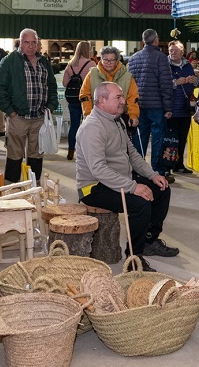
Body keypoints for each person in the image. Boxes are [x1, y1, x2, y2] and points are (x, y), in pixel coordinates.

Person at [76, 82, 177, 271]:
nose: (123, 101)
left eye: (122, 96)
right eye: (118, 97)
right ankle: (133, 258)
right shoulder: (92, 127)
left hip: (118, 179)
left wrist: (152, 175)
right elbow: (98, 169)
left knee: (162, 189)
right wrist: (132, 187)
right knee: (140, 203)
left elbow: (132, 153)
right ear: (102, 101)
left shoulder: (116, 120)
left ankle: (148, 241)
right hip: (94, 187)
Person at [0, 28, 59, 183]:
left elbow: (52, 86)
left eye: (33, 42)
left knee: (36, 154)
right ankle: (12, 187)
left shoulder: (44, 62)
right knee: (15, 154)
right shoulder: (9, 61)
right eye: (26, 42)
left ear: (38, 44)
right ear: (20, 43)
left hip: (39, 118)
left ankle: (33, 186)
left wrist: (50, 106)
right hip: (18, 117)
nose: (30, 46)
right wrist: (11, 112)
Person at [128, 29, 174, 174]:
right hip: (156, 105)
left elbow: (130, 83)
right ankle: (157, 170)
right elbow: (165, 84)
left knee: (140, 138)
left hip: (139, 105)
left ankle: (138, 169)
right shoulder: (161, 57)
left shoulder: (133, 58)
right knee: (157, 138)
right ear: (155, 40)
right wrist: (168, 107)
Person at [79, 45, 138, 124]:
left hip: (121, 117)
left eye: (112, 60)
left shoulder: (127, 76)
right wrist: (88, 114)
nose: (108, 63)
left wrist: (133, 115)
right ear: (101, 59)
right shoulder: (92, 74)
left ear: (117, 60)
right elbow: (85, 95)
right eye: (106, 60)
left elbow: (133, 97)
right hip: (97, 117)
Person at [167, 40, 198, 176]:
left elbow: (196, 83)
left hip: (185, 109)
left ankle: (179, 164)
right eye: (171, 50)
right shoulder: (165, 66)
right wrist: (175, 82)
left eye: (176, 50)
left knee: (182, 138)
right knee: (169, 139)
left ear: (182, 52)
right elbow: (162, 84)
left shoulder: (187, 66)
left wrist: (194, 80)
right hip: (171, 109)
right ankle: (168, 165)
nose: (173, 53)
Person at [62, 41, 95, 161]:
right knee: (88, 127)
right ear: (88, 50)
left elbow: (65, 83)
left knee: (74, 125)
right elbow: (94, 83)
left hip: (73, 100)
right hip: (87, 100)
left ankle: (70, 152)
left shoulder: (70, 64)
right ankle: (86, 154)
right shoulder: (91, 64)